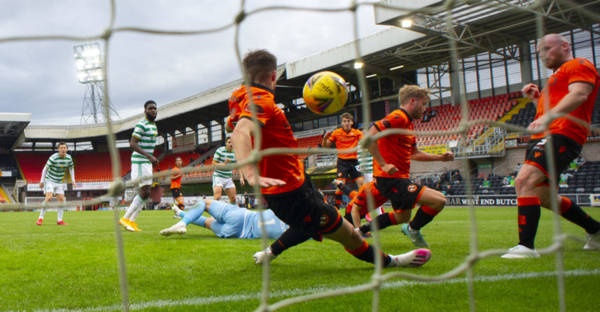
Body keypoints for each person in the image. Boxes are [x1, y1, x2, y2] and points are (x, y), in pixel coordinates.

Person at [230, 49, 430, 268]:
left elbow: (234, 124)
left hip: (294, 184)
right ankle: (392, 261)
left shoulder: (239, 97)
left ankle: (271, 251)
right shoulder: (262, 101)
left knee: (311, 225)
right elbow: (240, 131)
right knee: (348, 235)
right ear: (273, 76)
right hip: (291, 191)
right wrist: (249, 172)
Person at [502, 34, 600, 258]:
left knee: (523, 180)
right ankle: (596, 231)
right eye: (540, 52)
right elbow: (554, 107)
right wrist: (537, 99)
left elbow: (580, 94)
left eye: (547, 48)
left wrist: (548, 117)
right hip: (547, 135)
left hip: (562, 133)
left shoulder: (579, 64)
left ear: (565, 46)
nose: (543, 55)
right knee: (544, 197)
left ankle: (526, 247)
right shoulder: (556, 79)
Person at [359, 85, 454, 248]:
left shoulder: (408, 125)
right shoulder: (398, 117)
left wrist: (440, 158)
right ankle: (413, 230)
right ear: (412, 101)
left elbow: (414, 153)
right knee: (439, 200)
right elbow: (368, 139)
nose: (425, 109)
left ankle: (362, 230)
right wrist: (383, 164)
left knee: (401, 217)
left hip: (398, 178)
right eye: (423, 104)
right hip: (391, 179)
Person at [119, 100, 159, 232]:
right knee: (144, 191)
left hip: (147, 162)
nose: (153, 110)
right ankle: (125, 218)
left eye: (154, 108)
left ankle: (131, 221)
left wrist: (151, 157)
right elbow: (133, 143)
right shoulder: (141, 124)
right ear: (145, 111)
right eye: (150, 108)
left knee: (147, 193)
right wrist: (149, 156)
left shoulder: (153, 125)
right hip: (140, 161)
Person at [159, 199, 288, 239]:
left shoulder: (287, 210)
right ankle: (181, 213)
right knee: (206, 222)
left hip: (242, 217)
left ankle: (182, 222)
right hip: (236, 234)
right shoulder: (301, 231)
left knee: (204, 203)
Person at [322, 113, 365, 207]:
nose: (346, 123)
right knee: (340, 186)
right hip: (342, 162)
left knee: (362, 185)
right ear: (341, 123)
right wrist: (324, 139)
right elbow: (326, 146)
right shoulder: (336, 133)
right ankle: (337, 208)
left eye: (348, 121)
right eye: (344, 121)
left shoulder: (357, 133)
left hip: (354, 161)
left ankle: (362, 206)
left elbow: (365, 143)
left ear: (352, 122)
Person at [36, 142, 75, 226]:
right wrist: (42, 181)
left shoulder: (69, 158)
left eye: (64, 148)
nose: (63, 149)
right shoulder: (53, 157)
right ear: (58, 149)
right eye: (61, 148)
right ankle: (40, 218)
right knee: (49, 197)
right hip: (49, 180)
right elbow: (45, 169)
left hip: (59, 182)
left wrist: (73, 180)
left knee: (61, 200)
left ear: (67, 149)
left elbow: (71, 169)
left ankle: (59, 221)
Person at [212, 137, 244, 204]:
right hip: (218, 176)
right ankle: (213, 213)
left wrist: (241, 178)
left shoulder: (236, 153)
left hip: (228, 178)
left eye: (232, 142)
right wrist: (223, 164)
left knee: (233, 199)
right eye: (229, 142)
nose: (231, 144)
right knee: (217, 197)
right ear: (226, 143)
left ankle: (231, 213)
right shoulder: (220, 150)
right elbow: (213, 163)